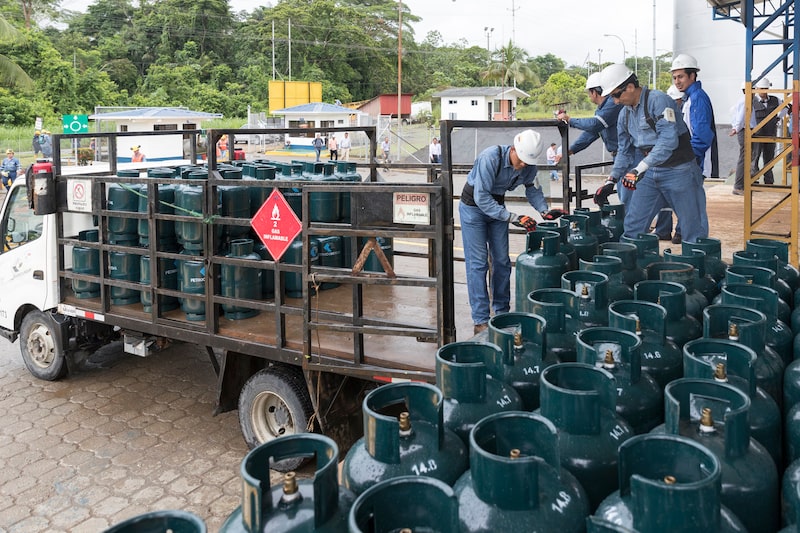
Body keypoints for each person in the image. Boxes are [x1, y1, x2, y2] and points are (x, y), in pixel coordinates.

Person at [599, 63, 708, 244]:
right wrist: (611, 180)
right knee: (633, 226)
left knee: (692, 229)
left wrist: (639, 169)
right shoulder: (624, 115)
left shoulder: (659, 101)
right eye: (612, 97)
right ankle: (629, 268)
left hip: (679, 170)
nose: (616, 101)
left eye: (617, 95)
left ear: (631, 87)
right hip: (649, 173)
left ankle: (697, 267)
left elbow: (668, 141)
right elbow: (624, 151)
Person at [459, 129, 547, 335]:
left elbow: (532, 188)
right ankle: (480, 319)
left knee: (501, 261)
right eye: (522, 159)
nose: (523, 165)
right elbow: (481, 198)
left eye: (528, 161)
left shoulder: (528, 165)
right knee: (478, 263)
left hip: (497, 207)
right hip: (473, 208)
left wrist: (544, 209)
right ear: (514, 148)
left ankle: (501, 312)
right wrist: (514, 217)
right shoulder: (490, 158)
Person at [651, 54, 718, 244]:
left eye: (681, 76)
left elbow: (702, 136)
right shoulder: (690, 98)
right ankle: (691, 240)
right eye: (675, 77)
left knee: (695, 207)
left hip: (692, 162)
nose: (677, 81)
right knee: (687, 205)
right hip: (688, 160)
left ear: (692, 76)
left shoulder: (697, 99)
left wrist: (689, 159)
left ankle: (699, 246)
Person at [751, 77, 784, 185]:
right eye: (761, 88)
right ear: (757, 89)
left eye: (765, 88)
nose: (763, 91)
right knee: (754, 157)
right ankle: (754, 179)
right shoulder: (751, 101)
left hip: (771, 134)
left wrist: (778, 117)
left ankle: (769, 181)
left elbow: (786, 108)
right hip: (756, 135)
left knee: (769, 158)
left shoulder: (776, 100)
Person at [730, 82, 747, 195]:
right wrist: (736, 128)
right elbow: (740, 118)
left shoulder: (744, 100)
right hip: (744, 130)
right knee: (744, 157)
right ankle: (738, 186)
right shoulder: (745, 101)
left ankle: (742, 184)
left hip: (744, 130)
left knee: (747, 157)